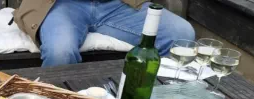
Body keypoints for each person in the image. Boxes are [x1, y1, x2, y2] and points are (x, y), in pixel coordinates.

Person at [13, 0, 195, 67]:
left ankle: (151, 95)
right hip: (62, 5)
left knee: (181, 33)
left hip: (118, 6)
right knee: (60, 51)